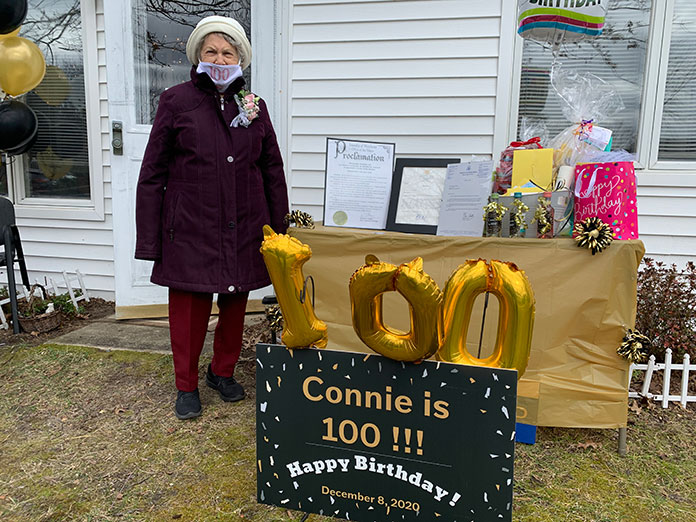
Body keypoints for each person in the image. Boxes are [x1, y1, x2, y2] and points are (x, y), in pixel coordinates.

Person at [135, 16, 289, 420]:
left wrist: (280, 230)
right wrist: (150, 240)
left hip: (245, 222)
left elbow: (272, 168)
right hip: (190, 226)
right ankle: (186, 385)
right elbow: (152, 173)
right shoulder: (176, 101)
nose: (220, 59)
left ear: (240, 58)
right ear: (198, 56)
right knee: (189, 308)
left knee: (235, 304)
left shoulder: (253, 106)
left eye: (228, 52)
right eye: (211, 51)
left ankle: (222, 371)